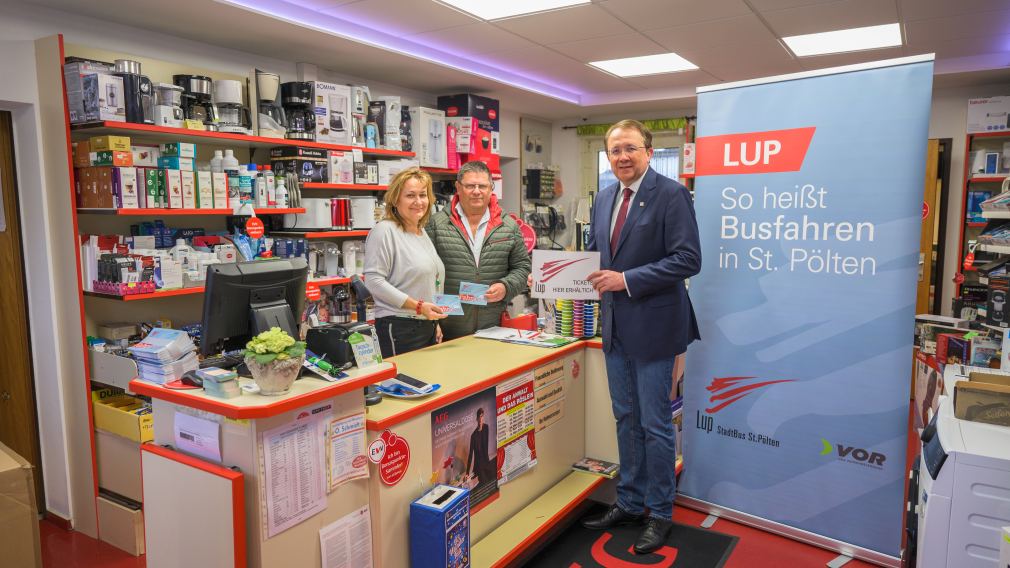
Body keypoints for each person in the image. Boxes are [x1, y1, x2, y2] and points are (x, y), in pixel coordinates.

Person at [580, 119, 702, 554]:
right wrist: (560, 274)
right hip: (616, 327)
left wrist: (626, 279)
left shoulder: (671, 194)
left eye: (630, 148)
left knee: (654, 423)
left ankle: (660, 512)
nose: (622, 157)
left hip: (655, 327)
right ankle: (630, 501)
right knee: (625, 417)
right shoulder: (606, 196)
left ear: (648, 151)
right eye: (615, 151)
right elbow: (597, 253)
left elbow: (688, 258)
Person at [427, 160, 531, 340]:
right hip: (447, 328)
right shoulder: (436, 224)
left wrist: (506, 287)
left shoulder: (508, 226)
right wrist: (433, 322)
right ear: (458, 188)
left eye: (482, 186)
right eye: (470, 186)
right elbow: (424, 274)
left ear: (491, 188)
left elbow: (522, 268)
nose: (476, 191)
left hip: (493, 328)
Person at [363, 167, 447, 358]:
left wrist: (434, 321)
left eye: (423, 195)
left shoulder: (420, 232)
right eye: (410, 195)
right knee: (403, 385)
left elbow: (430, 280)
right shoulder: (385, 231)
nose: (419, 202)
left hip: (425, 325)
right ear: (395, 199)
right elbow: (374, 281)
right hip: (399, 327)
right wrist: (418, 307)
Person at [465, 407, 495, 488]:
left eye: (482, 416)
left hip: (486, 461)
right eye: (479, 416)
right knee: (484, 485)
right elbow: (471, 455)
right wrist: (467, 473)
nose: (481, 418)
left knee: (494, 480)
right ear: (477, 418)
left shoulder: (486, 428)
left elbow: (485, 447)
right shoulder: (473, 436)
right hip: (478, 466)